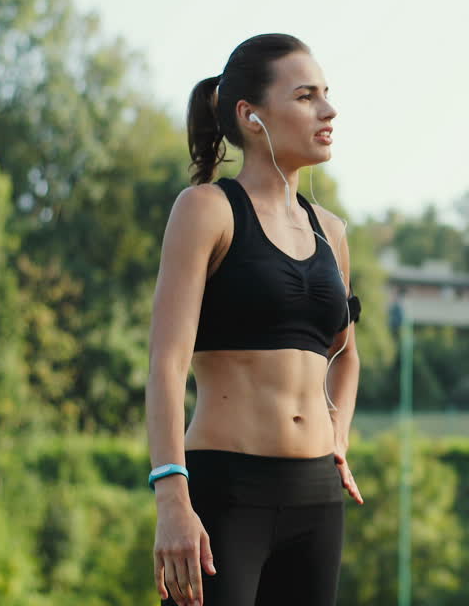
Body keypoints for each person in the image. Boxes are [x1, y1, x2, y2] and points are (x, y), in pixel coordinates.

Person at [146, 33, 364, 606]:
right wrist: (172, 496)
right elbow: (166, 365)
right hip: (226, 493)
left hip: (317, 500)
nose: (328, 110)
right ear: (251, 116)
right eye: (305, 96)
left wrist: (337, 439)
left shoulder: (332, 233)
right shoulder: (206, 211)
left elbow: (346, 356)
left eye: (327, 95)